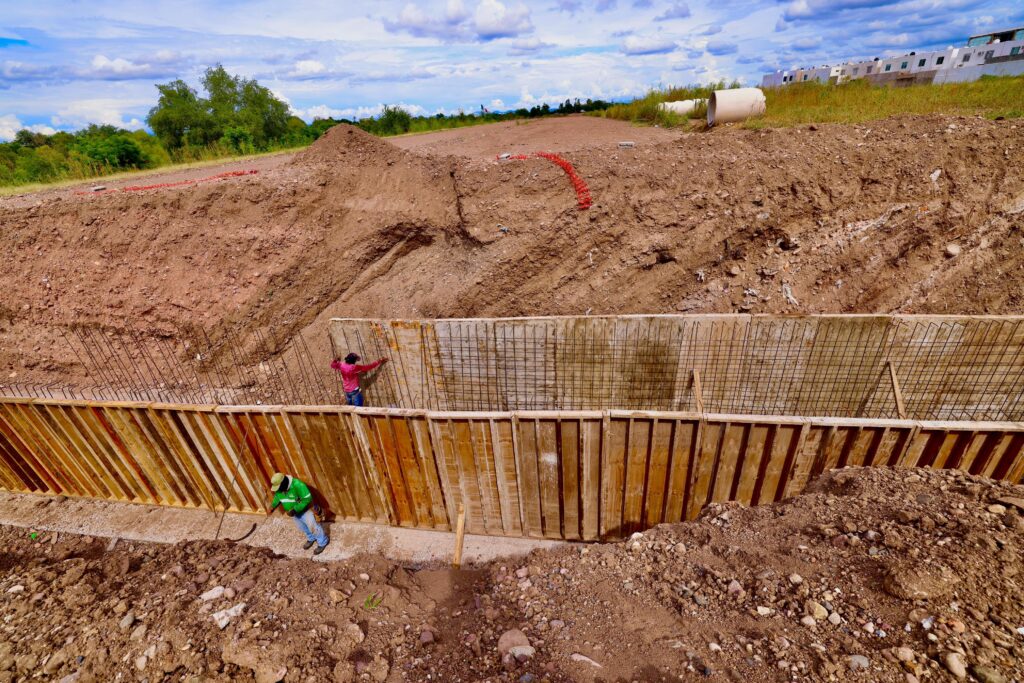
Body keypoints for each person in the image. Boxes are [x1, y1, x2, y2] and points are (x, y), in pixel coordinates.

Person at [270, 472, 329, 555]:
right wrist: (273, 506)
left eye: (279, 487)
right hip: (294, 513)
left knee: (313, 527)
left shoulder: (297, 484)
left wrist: (295, 509)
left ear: (283, 482)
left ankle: (322, 542)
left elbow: (307, 499)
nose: (278, 489)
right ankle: (311, 538)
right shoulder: (280, 489)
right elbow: (277, 497)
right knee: (302, 527)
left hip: (306, 510)